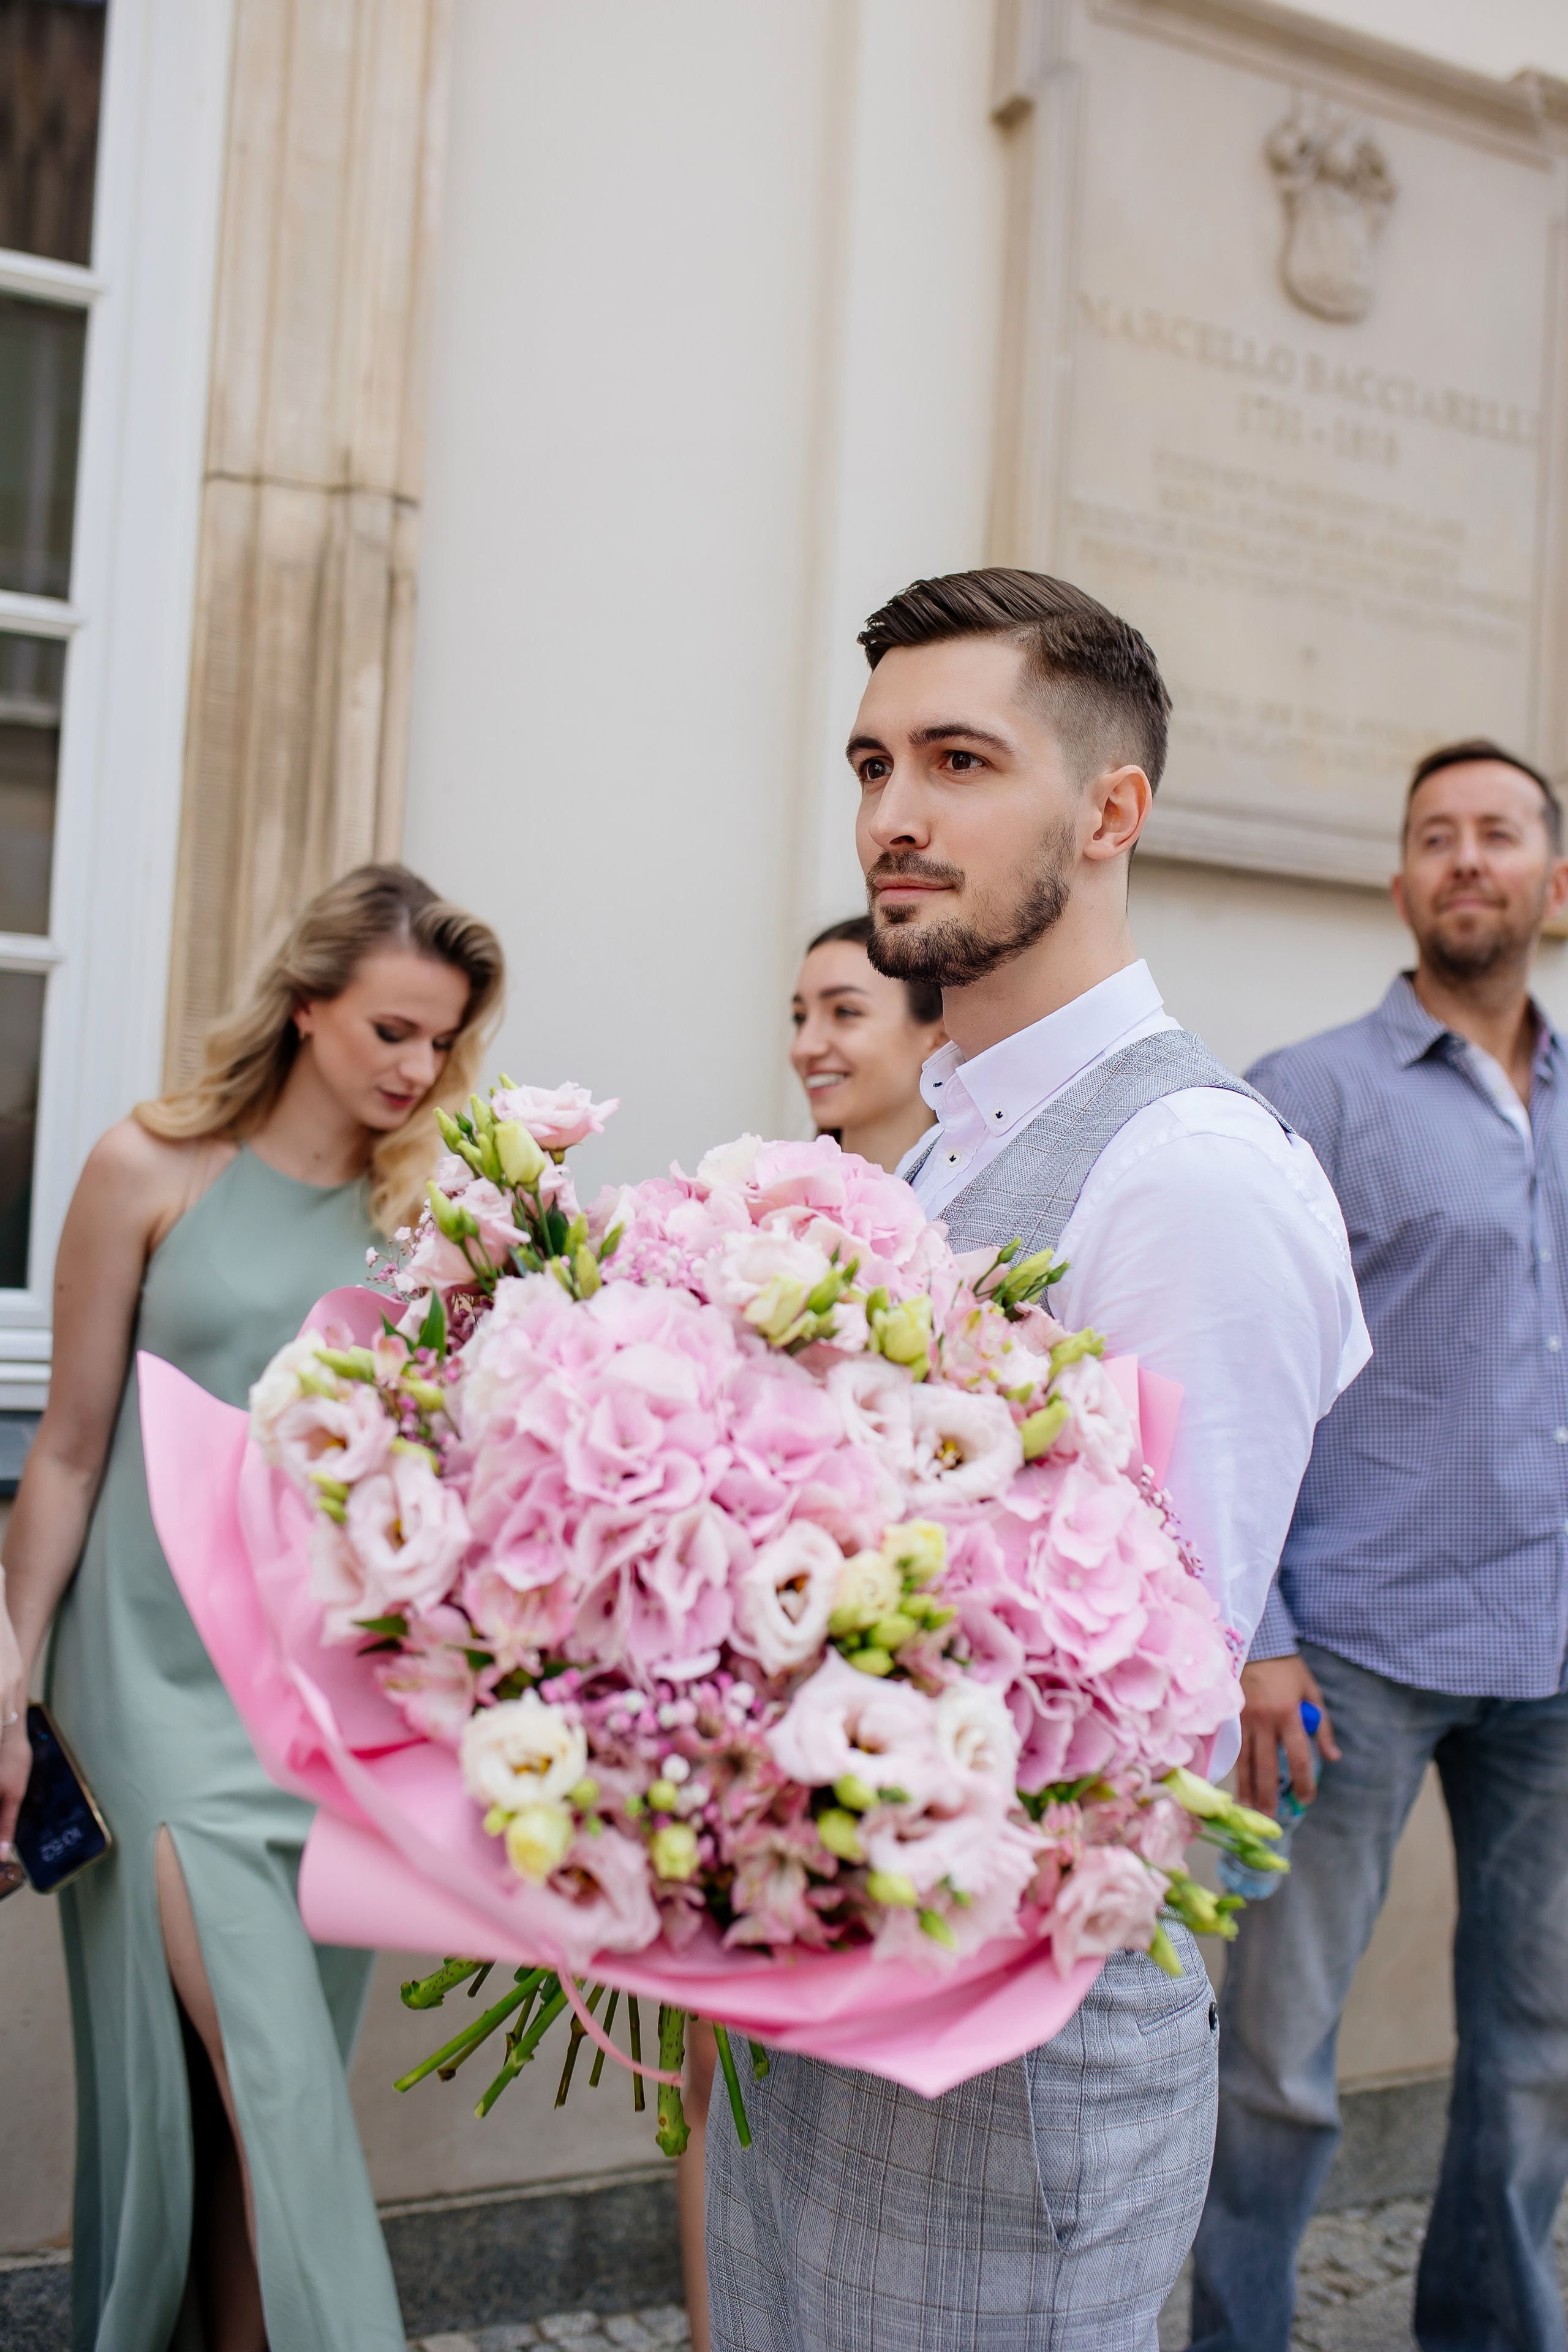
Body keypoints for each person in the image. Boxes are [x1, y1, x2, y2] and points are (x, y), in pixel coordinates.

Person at [702, 566, 1368, 2351]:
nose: (892, 816)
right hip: (832, 2021)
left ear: (1108, 809)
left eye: (956, 759)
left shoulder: (1185, 1174)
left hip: (1008, 2089)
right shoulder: (929, 1156)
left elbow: (1135, 1718)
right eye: (868, 763)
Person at [0, 864, 503, 2352]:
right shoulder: (149, 1169)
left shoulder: (437, 1221)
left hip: (327, 1700)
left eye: (441, 1042)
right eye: (392, 1031)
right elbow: (71, 1448)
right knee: (270, 2083)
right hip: (147, 1680)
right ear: (306, 1006)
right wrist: (9, 1670)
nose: (416, 1070)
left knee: (237, 2114)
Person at [1189, 741, 1568, 2352]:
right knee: (1275, 2062)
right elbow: (1235, 1383)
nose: (1465, 858)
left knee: (1538, 2049)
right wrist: (1259, 1630)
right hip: (1345, 1648)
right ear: (1401, 883)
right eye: (1434, 837)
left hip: (1551, 1655)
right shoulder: (1309, 1094)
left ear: (1556, 881)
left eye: (1498, 834)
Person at [676, 915, 951, 2352]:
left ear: (931, 1034)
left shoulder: (973, 1224)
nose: (809, 1040)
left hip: (882, 1689)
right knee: (708, 2058)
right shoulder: (762, 1212)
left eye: (843, 1008)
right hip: (745, 1668)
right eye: (796, 1010)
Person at [790, 914, 948, 1169]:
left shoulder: (991, 1201)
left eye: (845, 1012)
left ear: (939, 1039)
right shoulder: (768, 1198)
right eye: (800, 1017)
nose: (803, 1048)